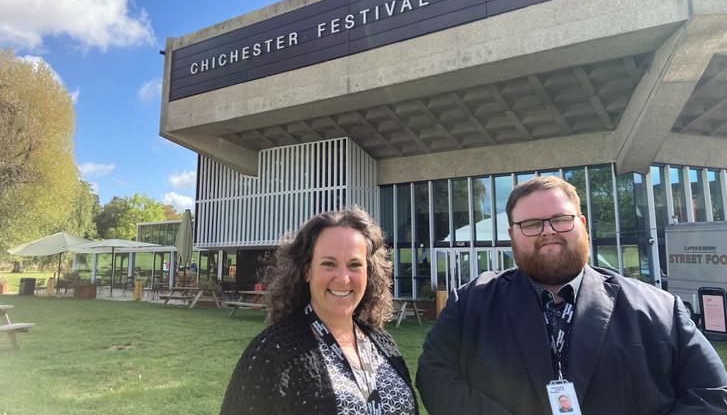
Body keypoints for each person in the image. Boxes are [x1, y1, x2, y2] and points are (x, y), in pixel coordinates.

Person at [417, 176, 727, 415]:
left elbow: (711, 391)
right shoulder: (471, 303)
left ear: (581, 224)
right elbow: (434, 374)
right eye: (531, 224)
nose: (547, 231)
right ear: (512, 235)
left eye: (560, 219)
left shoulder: (658, 308)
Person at [220, 208, 418, 415]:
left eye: (354, 265)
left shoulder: (383, 343)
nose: (342, 278)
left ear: (369, 273)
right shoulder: (272, 352)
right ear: (307, 271)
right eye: (328, 264)